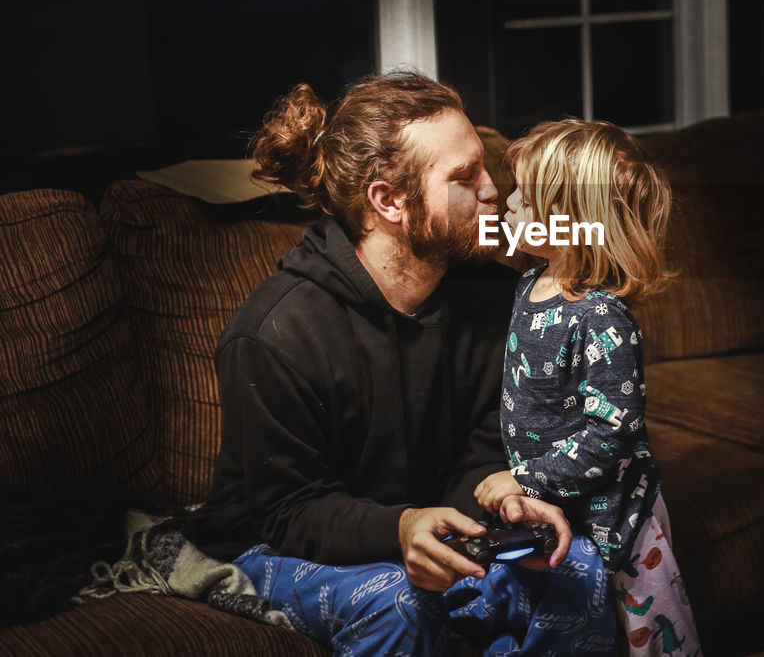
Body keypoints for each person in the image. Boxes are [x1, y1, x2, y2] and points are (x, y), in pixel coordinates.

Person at [182, 73, 618, 656]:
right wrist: (401, 527)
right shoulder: (275, 333)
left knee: (577, 568)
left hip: (432, 526)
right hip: (274, 546)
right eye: (464, 178)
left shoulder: (497, 299)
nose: (493, 192)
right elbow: (287, 511)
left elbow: (484, 451)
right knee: (397, 601)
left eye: (484, 167)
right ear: (389, 201)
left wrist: (501, 498)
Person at [471, 119, 701, 656]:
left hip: (617, 520)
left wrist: (524, 479)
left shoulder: (603, 317)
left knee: (654, 640)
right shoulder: (531, 282)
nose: (508, 205)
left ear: (572, 222)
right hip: (554, 507)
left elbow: (612, 434)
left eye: (524, 199)